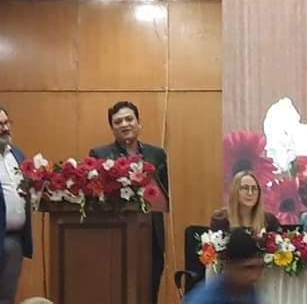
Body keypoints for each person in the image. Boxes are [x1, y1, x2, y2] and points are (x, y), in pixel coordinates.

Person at [89, 101, 169, 303]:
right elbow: (95, 197)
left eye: (129, 119)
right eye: (118, 122)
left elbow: (162, 195)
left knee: (149, 292)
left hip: (152, 236)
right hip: (116, 236)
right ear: (112, 128)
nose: (124, 124)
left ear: (138, 123)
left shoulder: (157, 154)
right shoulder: (100, 155)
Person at [0, 103, 33, 304]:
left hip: (14, 241)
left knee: (5, 298)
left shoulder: (17, 155)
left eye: (6, 122)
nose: (5, 128)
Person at [185, 228, 264, 304]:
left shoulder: (247, 291)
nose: (255, 276)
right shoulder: (205, 300)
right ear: (229, 266)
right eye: (248, 268)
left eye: (260, 268)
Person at [210, 171, 281, 233]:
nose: (250, 193)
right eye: (245, 188)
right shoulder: (220, 219)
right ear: (235, 191)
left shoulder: (270, 221)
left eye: (254, 188)